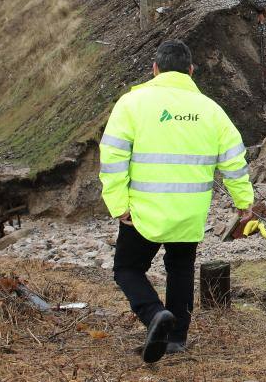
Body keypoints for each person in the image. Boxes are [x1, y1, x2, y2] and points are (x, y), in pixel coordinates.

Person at [99, 39, 256, 363]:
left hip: (143, 211)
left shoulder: (132, 103)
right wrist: (244, 203)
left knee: (127, 269)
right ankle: (176, 338)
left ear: (154, 69)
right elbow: (234, 162)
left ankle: (155, 314)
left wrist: (118, 204)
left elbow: (112, 156)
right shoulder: (211, 110)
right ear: (191, 71)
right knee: (180, 267)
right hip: (189, 210)